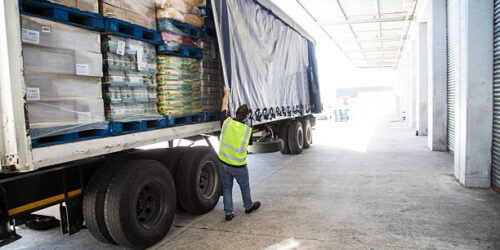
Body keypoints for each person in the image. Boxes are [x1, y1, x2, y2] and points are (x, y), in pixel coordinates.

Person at [219, 87, 261, 221]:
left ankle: (228, 213)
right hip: (239, 166)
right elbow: (249, 144)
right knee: (244, 186)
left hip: (224, 163)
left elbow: (224, 105)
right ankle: (248, 206)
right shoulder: (248, 130)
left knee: (227, 187)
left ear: (235, 112)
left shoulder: (226, 122)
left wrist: (226, 93)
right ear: (247, 116)